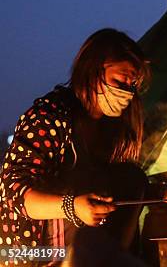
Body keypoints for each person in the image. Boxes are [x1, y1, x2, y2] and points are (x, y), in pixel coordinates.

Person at [0, 28, 152, 262]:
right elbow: (14, 194)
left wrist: (163, 194)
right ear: (92, 70)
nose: (127, 92)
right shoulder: (49, 117)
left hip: (81, 248)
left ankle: (112, 259)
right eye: (120, 81)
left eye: (132, 84)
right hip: (28, 254)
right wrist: (73, 207)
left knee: (132, 178)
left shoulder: (111, 126)